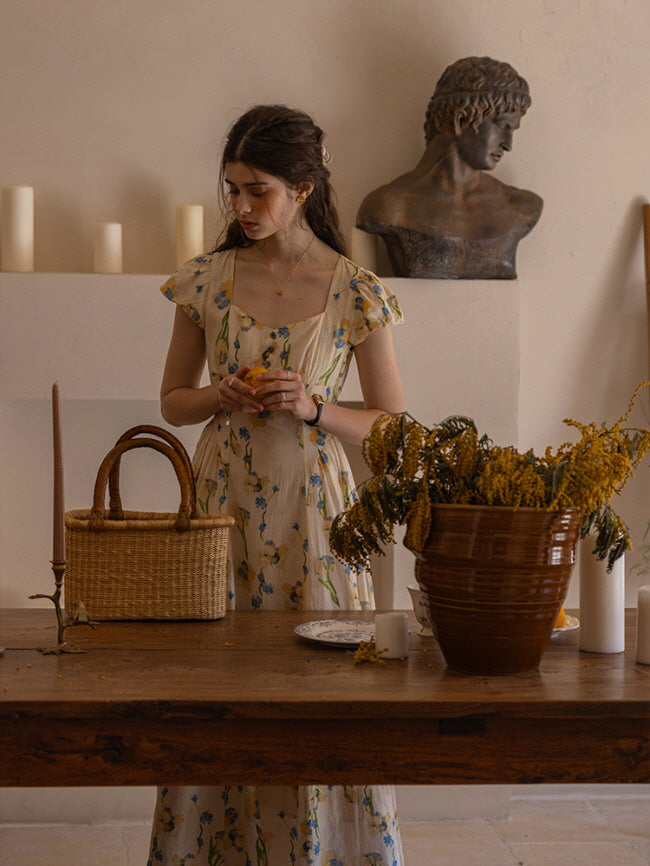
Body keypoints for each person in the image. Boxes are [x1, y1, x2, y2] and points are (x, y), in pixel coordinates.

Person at [148, 104, 406, 866]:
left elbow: (393, 423)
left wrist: (317, 406)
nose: (240, 207)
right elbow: (171, 401)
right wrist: (219, 396)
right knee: (215, 680)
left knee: (323, 686)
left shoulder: (355, 289)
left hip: (317, 513)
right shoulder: (205, 279)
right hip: (221, 505)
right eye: (231, 190)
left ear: (302, 186)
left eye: (256, 190)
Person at [357, 56, 543, 279]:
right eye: (503, 126)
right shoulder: (388, 207)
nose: (508, 144)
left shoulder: (520, 207)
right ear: (461, 120)